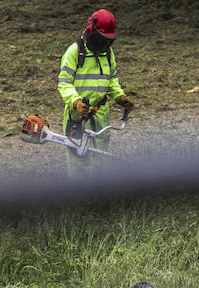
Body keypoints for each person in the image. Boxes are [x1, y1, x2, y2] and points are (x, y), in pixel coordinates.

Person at [56, 9, 135, 174]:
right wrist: (76, 102)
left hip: (100, 114)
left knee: (100, 157)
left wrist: (119, 96)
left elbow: (111, 79)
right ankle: (79, 196)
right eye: (102, 40)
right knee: (78, 160)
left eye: (108, 41)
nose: (104, 44)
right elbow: (64, 83)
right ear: (92, 32)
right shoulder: (75, 51)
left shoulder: (107, 53)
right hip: (77, 116)